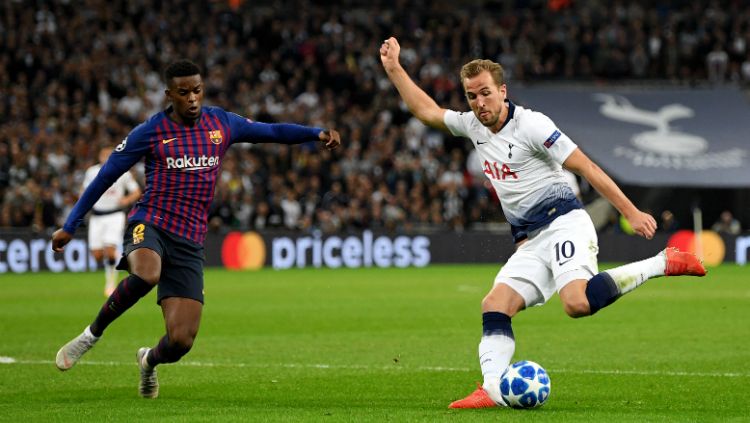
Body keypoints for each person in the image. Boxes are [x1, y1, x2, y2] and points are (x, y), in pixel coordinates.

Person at [379, 37, 707, 409]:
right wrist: (394, 69)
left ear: (503, 91)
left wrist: (630, 211)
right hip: (530, 240)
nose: (479, 103)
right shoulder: (473, 126)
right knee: (495, 305)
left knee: (577, 303)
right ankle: (491, 390)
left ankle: (662, 262)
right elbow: (427, 111)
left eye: (485, 93)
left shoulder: (532, 125)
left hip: (565, 222)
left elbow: (586, 166)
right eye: (472, 96)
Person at [52, 59, 341, 399]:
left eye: (197, 90)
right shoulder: (150, 132)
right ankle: (91, 334)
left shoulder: (221, 123)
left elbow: (271, 131)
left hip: (190, 240)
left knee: (180, 342)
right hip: (151, 223)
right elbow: (105, 176)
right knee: (146, 274)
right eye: (183, 92)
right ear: (169, 94)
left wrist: (315, 132)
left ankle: (148, 361)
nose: (192, 98)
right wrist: (71, 225)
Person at [82, 146, 142, 296]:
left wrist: (126, 199)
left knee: (109, 251)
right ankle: (124, 259)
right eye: (104, 155)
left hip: (115, 215)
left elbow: (136, 191)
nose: (106, 158)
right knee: (97, 255)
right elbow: (84, 190)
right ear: (100, 157)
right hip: (97, 216)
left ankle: (110, 284)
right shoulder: (92, 172)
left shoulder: (123, 172)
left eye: (109, 155)